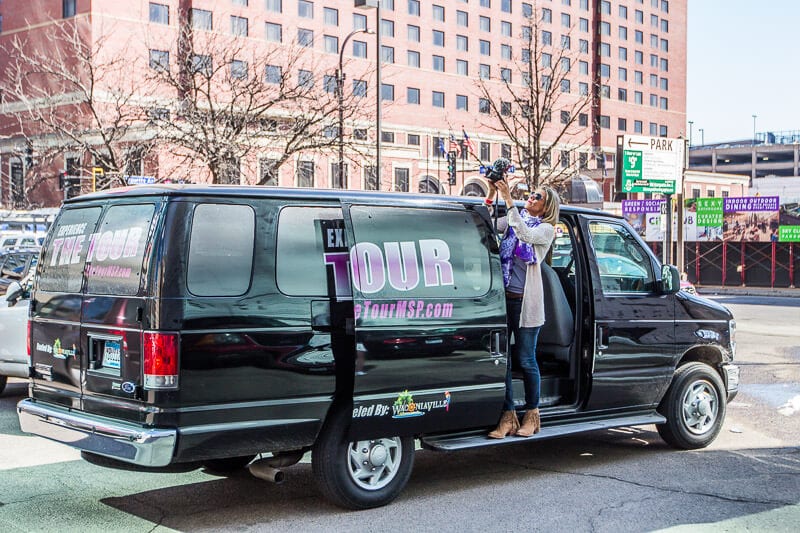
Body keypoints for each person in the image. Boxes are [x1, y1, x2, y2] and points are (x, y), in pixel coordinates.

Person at [486, 179, 560, 439]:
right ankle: (508, 417)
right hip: (504, 299)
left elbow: (525, 235)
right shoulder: (515, 219)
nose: (530, 198)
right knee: (503, 359)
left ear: (546, 206)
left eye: (536, 197)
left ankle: (532, 415)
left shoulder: (546, 229)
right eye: (529, 195)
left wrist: (508, 198)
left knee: (526, 359)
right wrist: (493, 192)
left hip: (526, 301)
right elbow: (491, 225)